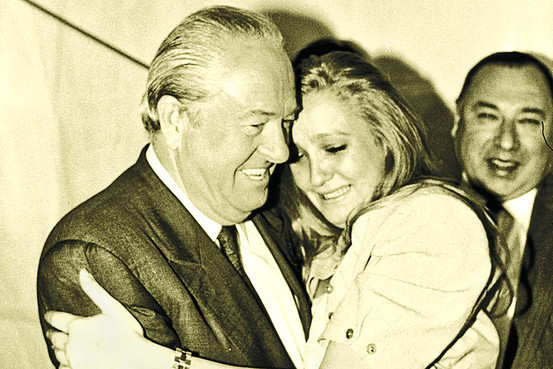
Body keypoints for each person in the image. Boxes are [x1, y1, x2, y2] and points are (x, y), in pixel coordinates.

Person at [45, 51, 511, 369]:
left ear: (386, 139)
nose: (316, 175)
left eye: (335, 147)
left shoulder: (431, 222)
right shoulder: (328, 241)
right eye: (300, 155)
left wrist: (152, 362)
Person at [37, 5, 312, 369]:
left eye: (287, 121)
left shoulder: (271, 207)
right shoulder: (95, 255)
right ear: (174, 120)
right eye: (255, 125)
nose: (280, 150)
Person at [451, 51, 553, 368]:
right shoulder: (406, 221)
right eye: (488, 116)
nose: (506, 142)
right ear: (458, 118)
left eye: (529, 121)